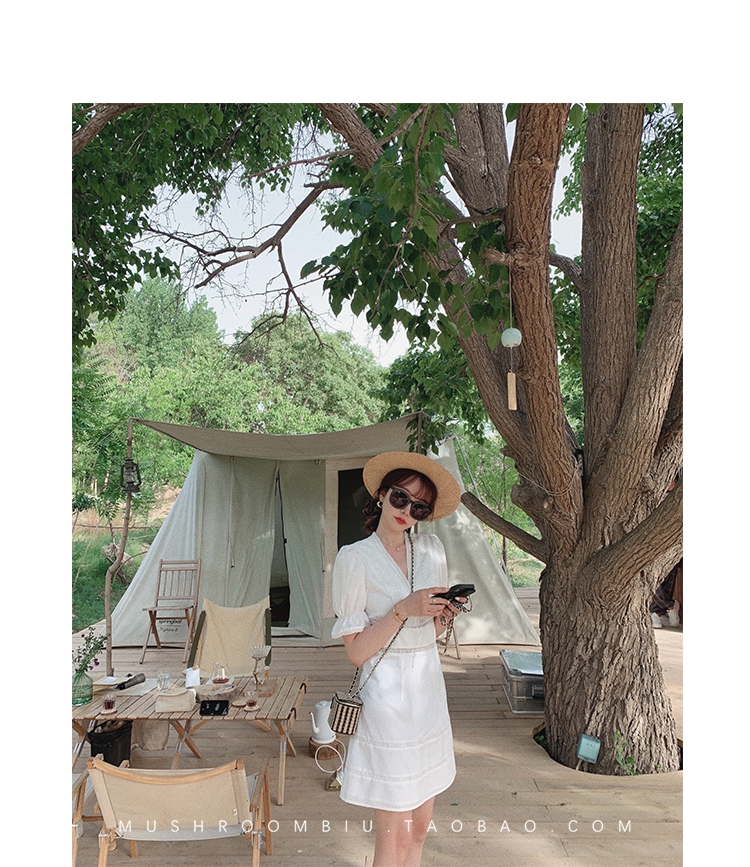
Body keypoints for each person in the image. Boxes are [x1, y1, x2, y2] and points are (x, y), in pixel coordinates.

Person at [331, 451, 465, 867]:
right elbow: (356, 651)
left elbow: (430, 632)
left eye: (419, 507)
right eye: (400, 497)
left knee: (420, 829)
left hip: (427, 695)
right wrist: (402, 609)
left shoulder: (432, 550)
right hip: (386, 701)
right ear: (381, 495)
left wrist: (446, 614)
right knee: (394, 836)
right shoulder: (355, 559)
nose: (407, 510)